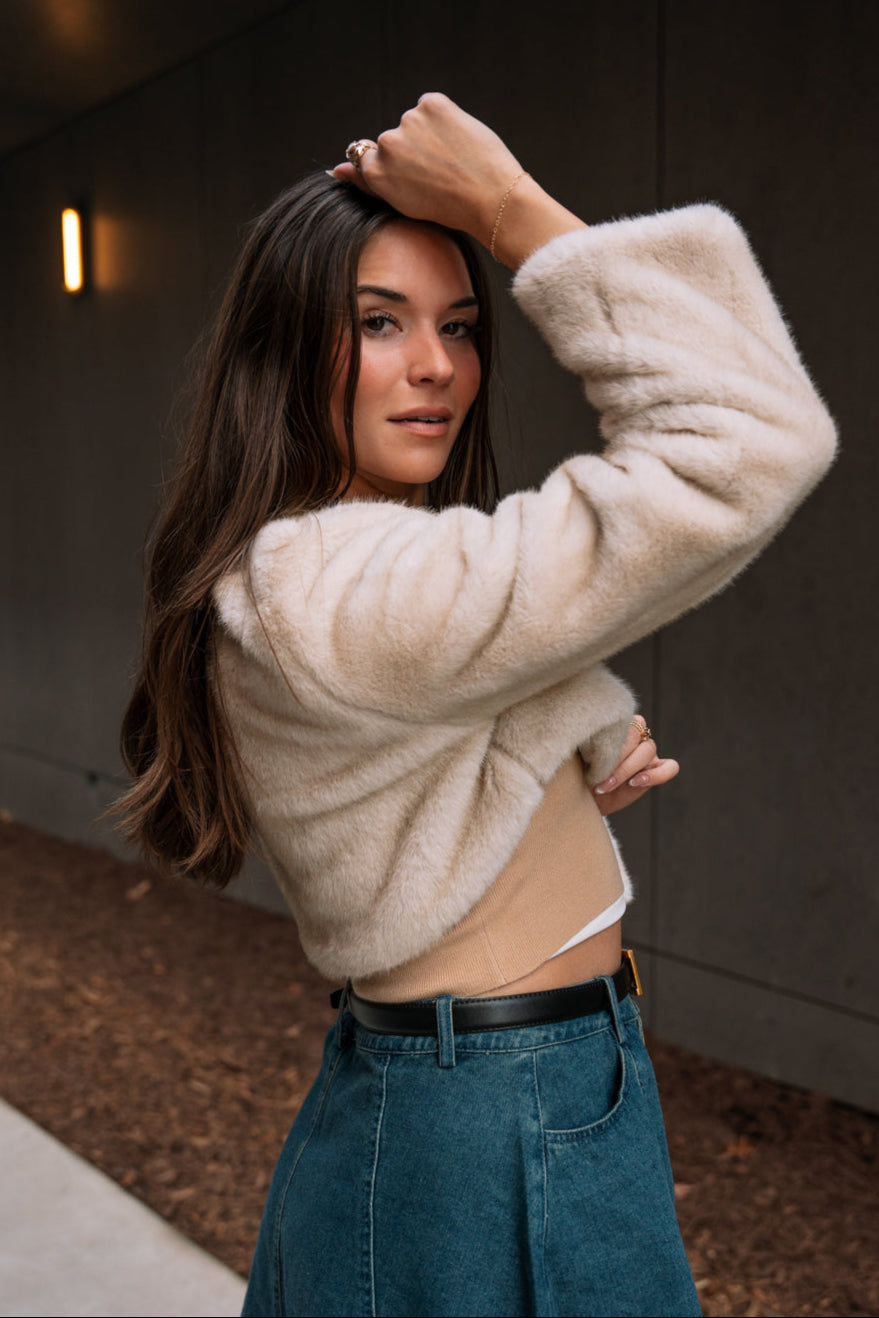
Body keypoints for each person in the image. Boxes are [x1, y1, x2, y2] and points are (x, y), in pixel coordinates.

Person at [116, 95, 836, 1317]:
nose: (440, 365)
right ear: (286, 348)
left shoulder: (316, 564)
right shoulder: (328, 582)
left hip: (495, 1088)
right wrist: (507, 211)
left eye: (458, 323)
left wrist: (549, 751)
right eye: (379, 323)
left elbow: (428, 727)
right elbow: (748, 438)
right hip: (495, 1108)